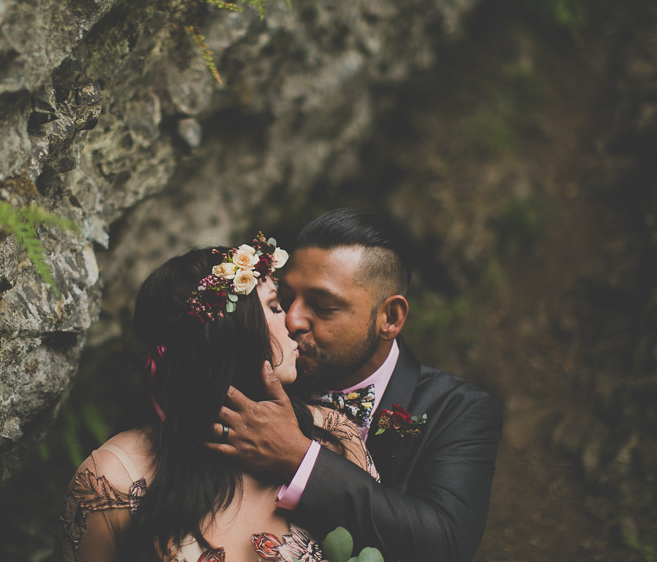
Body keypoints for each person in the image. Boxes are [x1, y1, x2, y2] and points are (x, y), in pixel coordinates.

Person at [206, 209, 503, 562]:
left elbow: (445, 543)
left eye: (323, 306)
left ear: (389, 318)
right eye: (286, 299)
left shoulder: (459, 410)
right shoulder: (263, 377)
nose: (293, 319)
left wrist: (301, 459)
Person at [60, 237, 377, 561]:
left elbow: (391, 540)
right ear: (232, 329)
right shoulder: (112, 477)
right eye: (274, 306)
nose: (292, 323)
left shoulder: (333, 433)